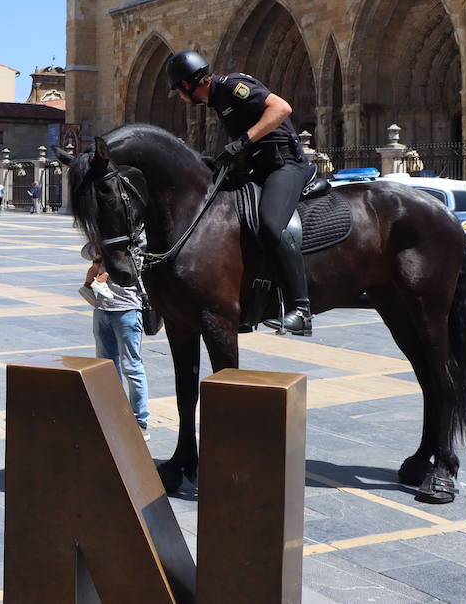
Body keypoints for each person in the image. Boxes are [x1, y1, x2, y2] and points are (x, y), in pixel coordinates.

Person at [167, 49, 313, 335]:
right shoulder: (219, 103)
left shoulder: (233, 86)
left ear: (188, 85)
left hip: (285, 165)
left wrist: (243, 141)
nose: (181, 98)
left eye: (179, 91)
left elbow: (281, 108)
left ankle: (301, 309)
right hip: (259, 169)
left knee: (271, 225)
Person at [81, 243, 150, 437]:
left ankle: (139, 421)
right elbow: (86, 252)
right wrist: (101, 244)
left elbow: (136, 258)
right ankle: (112, 415)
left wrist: (111, 250)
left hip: (127, 309)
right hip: (102, 310)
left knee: (132, 367)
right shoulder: (107, 237)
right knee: (105, 368)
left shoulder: (139, 237)